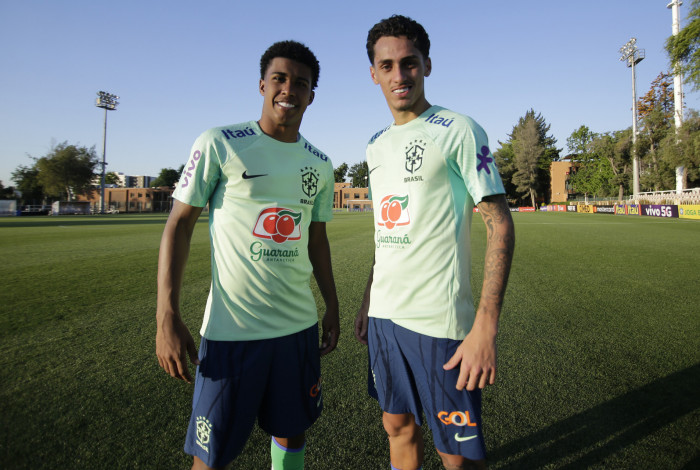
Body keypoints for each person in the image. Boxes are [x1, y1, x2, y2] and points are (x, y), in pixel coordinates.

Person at [156, 40, 340, 470]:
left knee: (292, 430)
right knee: (211, 455)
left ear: (311, 95)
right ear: (262, 85)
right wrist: (167, 313)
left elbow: (317, 240)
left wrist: (332, 304)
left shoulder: (320, 163)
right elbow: (179, 224)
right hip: (232, 331)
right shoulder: (219, 143)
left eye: (300, 83)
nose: (288, 89)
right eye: (279, 79)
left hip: (297, 329)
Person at [354, 15, 515, 470]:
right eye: (387, 66)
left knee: (457, 455)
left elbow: (500, 224)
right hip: (384, 317)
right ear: (373, 74)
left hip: (439, 324)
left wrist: (486, 326)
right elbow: (387, 233)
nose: (399, 75)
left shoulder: (459, 129)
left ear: (427, 65)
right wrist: (368, 298)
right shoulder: (375, 145)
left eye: (409, 63)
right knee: (396, 426)